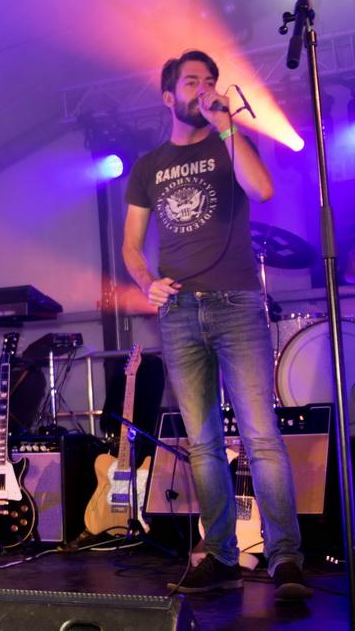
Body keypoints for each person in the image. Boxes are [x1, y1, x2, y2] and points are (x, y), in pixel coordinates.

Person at [122, 50, 312, 601]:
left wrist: (227, 126)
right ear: (169, 97)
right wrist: (146, 282)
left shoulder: (228, 142)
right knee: (202, 443)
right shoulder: (149, 166)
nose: (203, 89)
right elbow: (131, 245)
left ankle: (284, 557)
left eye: (209, 80)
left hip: (237, 304)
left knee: (260, 436)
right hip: (179, 312)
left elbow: (263, 190)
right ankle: (222, 554)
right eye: (191, 82)